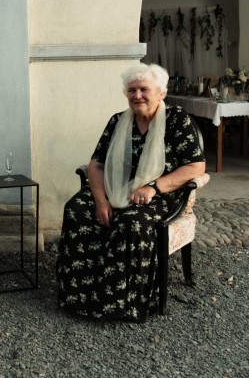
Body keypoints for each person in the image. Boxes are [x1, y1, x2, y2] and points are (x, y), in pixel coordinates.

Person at [56, 63, 205, 323]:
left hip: (160, 195)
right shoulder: (117, 121)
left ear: (161, 93)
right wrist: (101, 202)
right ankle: (79, 296)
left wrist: (153, 187)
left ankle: (123, 303)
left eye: (144, 89)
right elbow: (96, 165)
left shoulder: (177, 120)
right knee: (76, 209)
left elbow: (195, 166)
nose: (137, 95)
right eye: (131, 90)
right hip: (116, 188)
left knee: (131, 221)